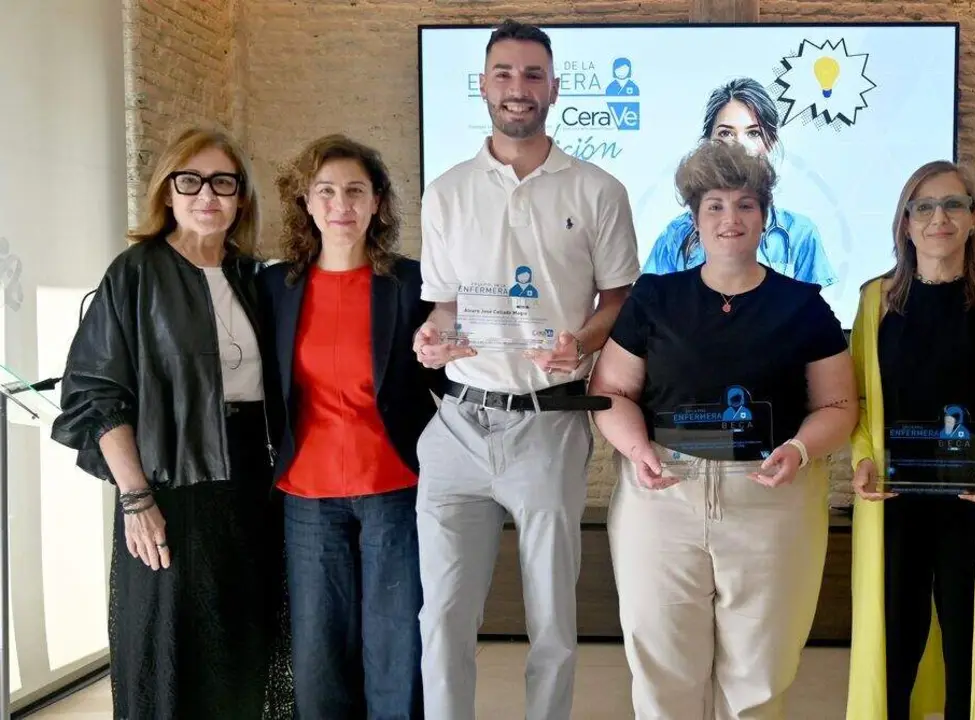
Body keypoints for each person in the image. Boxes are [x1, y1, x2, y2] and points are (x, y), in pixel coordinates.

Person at [411, 19, 640, 720]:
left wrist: (586, 342)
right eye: (504, 74)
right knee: (443, 616)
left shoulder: (598, 189)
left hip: (549, 423)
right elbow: (446, 309)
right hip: (456, 423)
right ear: (482, 85)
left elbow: (620, 298)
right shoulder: (446, 192)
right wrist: (430, 340)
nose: (518, 88)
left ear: (555, 88)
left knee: (551, 619)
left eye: (532, 74)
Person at [588, 139, 855, 719]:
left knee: (759, 674)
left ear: (765, 216)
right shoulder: (655, 298)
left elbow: (838, 405)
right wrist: (636, 448)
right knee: (662, 668)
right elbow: (611, 391)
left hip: (771, 499)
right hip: (662, 495)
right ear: (694, 218)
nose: (730, 219)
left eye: (745, 205)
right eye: (715, 205)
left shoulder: (804, 306)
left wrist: (801, 449)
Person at [50, 127, 291, 720]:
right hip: (168, 486)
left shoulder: (254, 277)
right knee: (168, 646)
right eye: (190, 180)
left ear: (241, 197)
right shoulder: (135, 272)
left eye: (222, 183)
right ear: (168, 191)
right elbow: (97, 393)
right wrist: (136, 498)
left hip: (250, 486)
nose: (206, 194)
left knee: (243, 642)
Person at [257, 134, 442, 719]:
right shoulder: (274, 287)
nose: (341, 204)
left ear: (378, 203)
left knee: (395, 647)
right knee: (319, 654)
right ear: (307, 204)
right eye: (327, 191)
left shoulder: (412, 283)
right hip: (306, 496)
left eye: (356, 191)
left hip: (394, 489)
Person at [847, 161, 975, 720]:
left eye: (953, 204)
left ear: (974, 218)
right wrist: (861, 461)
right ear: (905, 224)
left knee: (968, 641)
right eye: (923, 207)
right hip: (894, 503)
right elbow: (857, 400)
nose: (938, 218)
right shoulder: (875, 300)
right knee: (894, 640)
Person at [642, 77, 837, 287]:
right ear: (707, 141)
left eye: (753, 133)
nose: (739, 145)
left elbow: (809, 313)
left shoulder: (800, 233)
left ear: (770, 142)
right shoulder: (675, 235)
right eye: (726, 133)